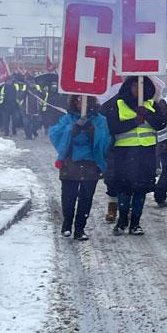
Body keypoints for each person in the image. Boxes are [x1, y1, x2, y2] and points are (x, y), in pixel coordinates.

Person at [102, 76, 167, 235]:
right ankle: (122, 220)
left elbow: (160, 124)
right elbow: (111, 127)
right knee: (124, 188)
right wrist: (134, 121)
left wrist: (147, 114)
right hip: (124, 152)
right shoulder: (117, 103)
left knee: (141, 189)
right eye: (134, 86)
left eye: (141, 86)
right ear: (128, 87)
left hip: (146, 152)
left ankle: (135, 223)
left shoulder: (151, 104)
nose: (137, 89)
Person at [48, 95, 111, 241]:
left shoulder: (100, 120)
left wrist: (93, 132)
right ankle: (67, 224)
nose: (80, 102)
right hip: (71, 163)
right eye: (78, 99)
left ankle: (80, 228)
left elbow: (107, 140)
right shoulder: (67, 118)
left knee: (86, 198)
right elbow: (55, 134)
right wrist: (72, 130)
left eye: (85, 100)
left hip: (90, 164)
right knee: (68, 196)